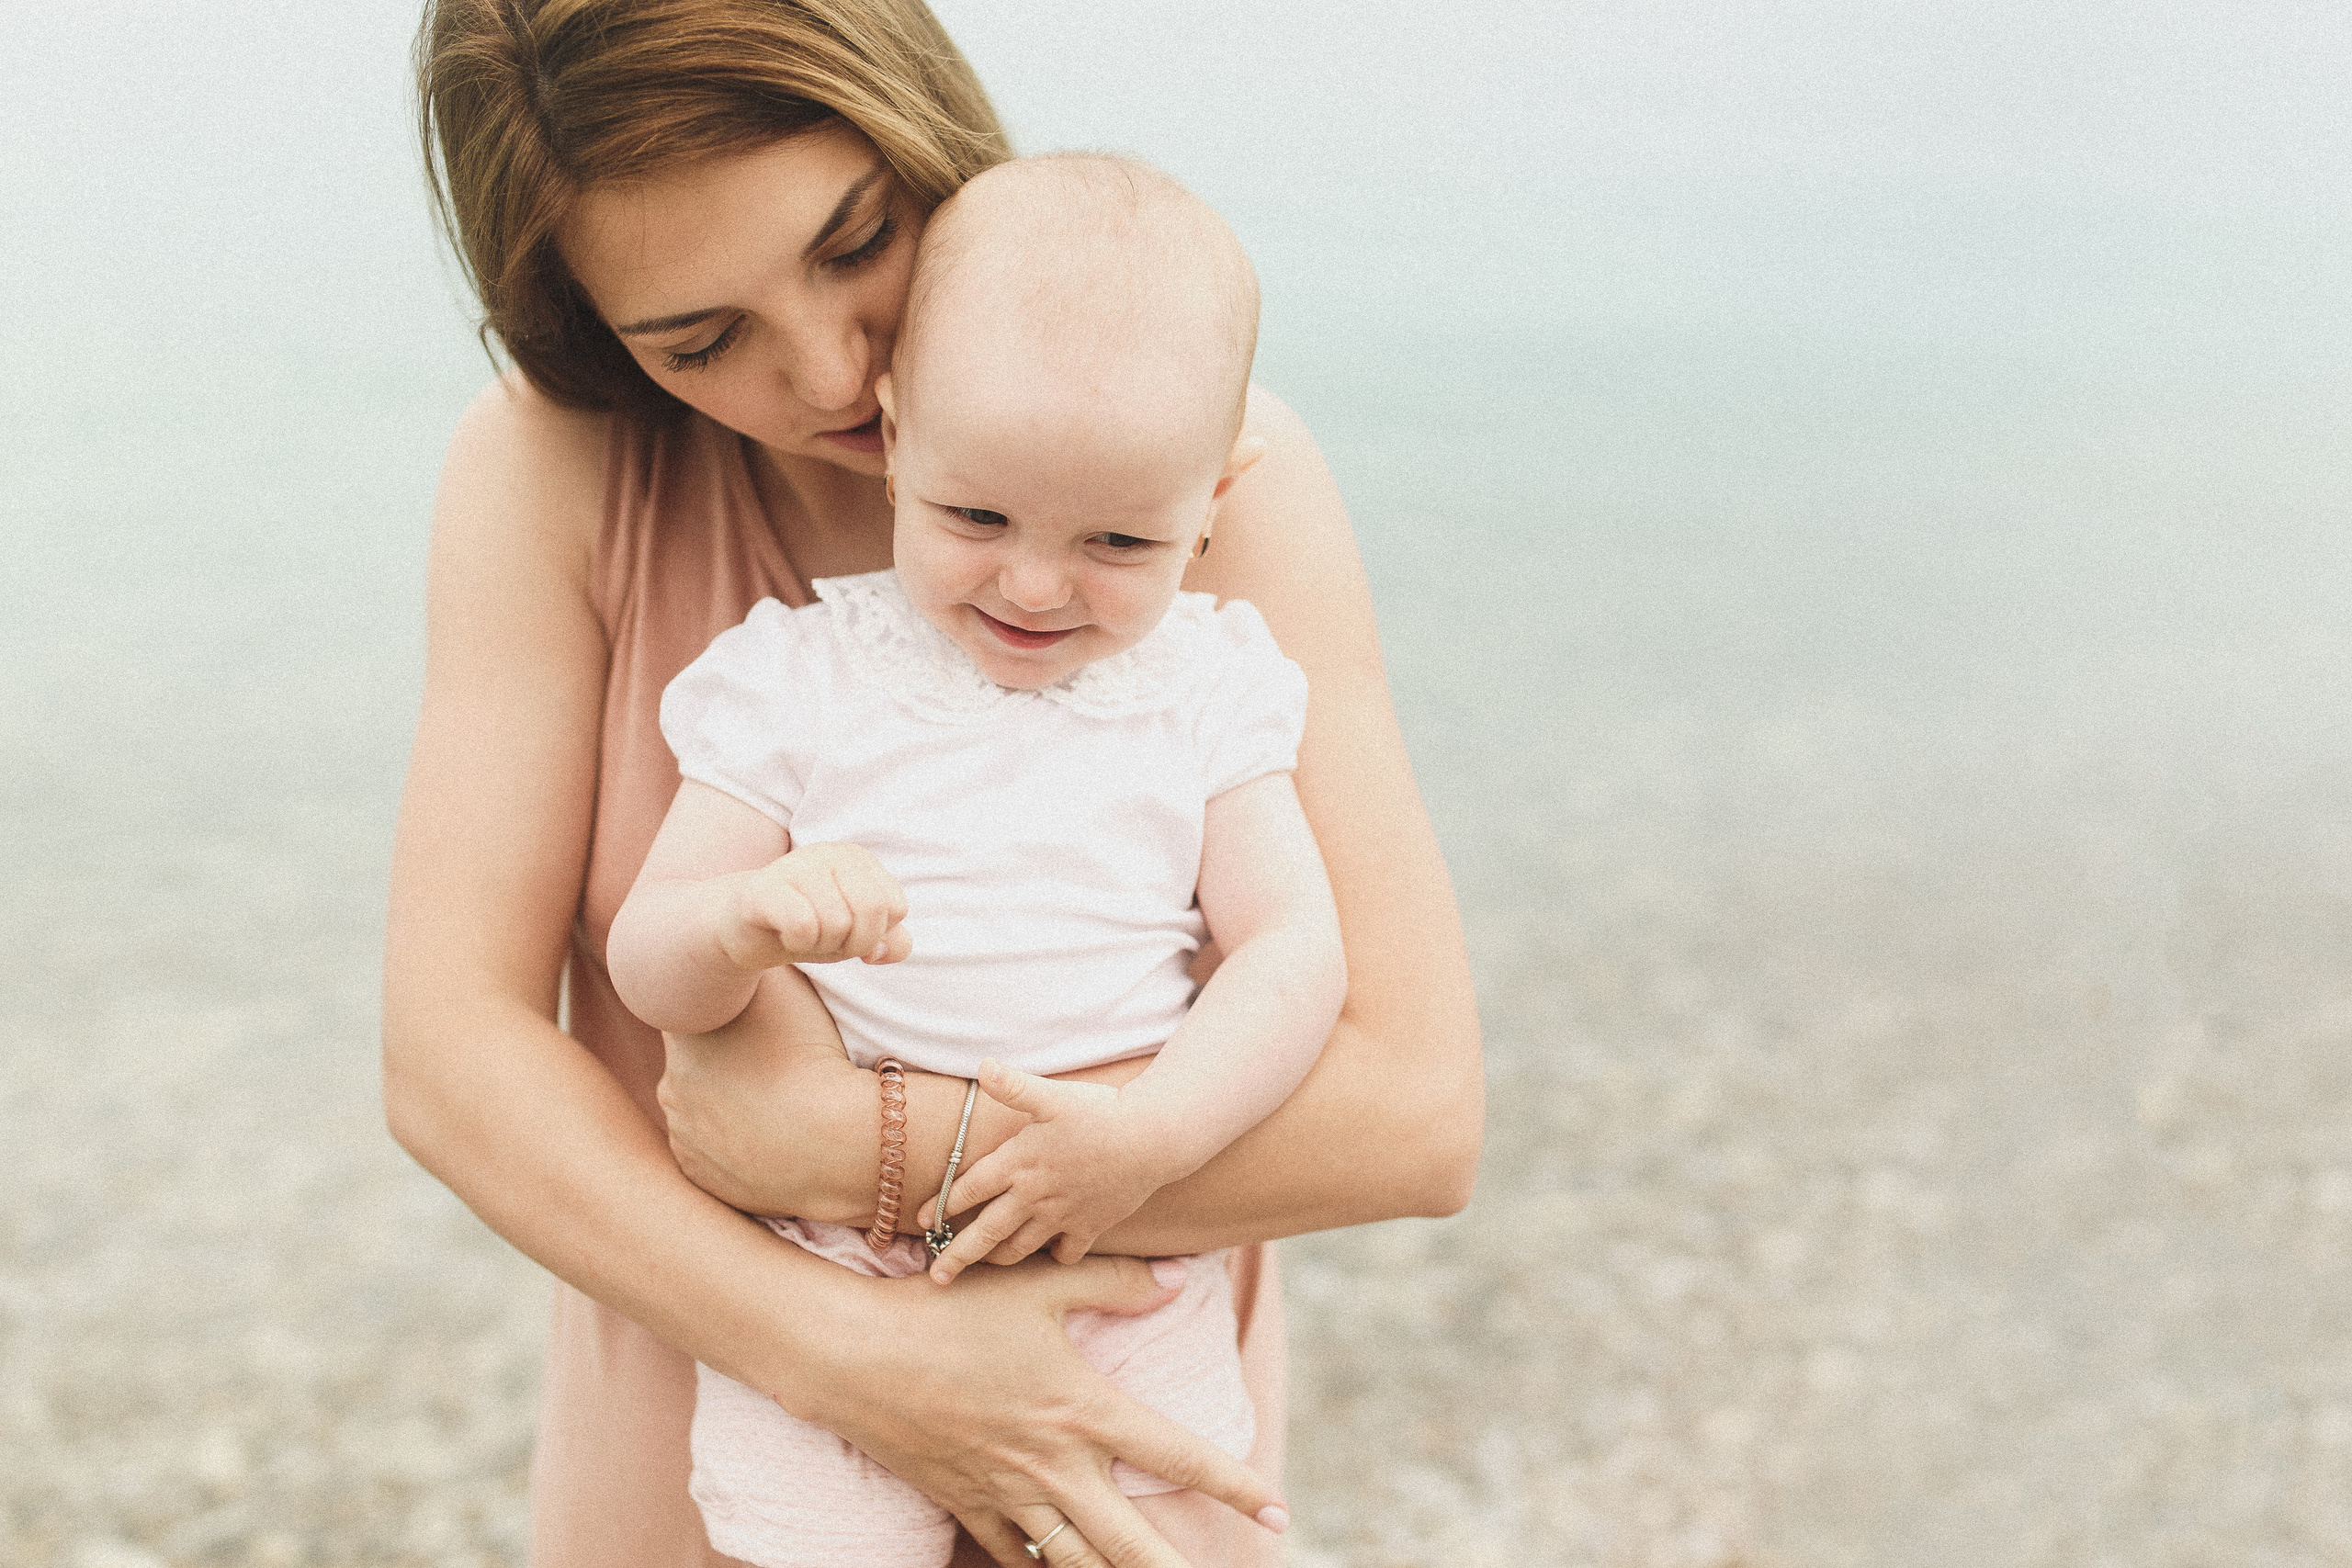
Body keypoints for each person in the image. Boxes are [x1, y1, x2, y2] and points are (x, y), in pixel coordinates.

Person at [386, 3, 1482, 1565]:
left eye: (856, 243)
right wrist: (852, 1357)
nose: (833, 368)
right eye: (702, 343)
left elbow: (1416, 1114)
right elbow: (450, 1055)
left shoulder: (1207, 477)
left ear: (920, 122)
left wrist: (852, 1147)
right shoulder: (555, 471)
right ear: (596, 332)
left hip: (1121, 1411)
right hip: (722, 1392)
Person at [607, 153, 1349, 1567]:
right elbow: (649, 962)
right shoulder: (797, 677)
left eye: (1119, 540)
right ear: (896, 440)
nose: (1034, 584)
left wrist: (1156, 1134)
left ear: (1213, 499)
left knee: (1157, 1537)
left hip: (1116, 1236)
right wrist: (742, 923)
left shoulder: (1206, 687)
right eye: (976, 518)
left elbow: (1294, 947)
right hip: (823, 1259)